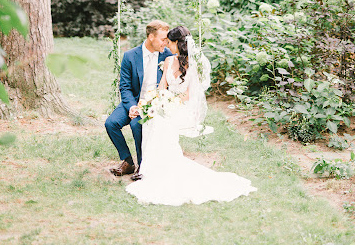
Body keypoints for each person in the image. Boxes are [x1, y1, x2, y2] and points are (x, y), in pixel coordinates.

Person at [126, 26, 257, 205]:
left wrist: (167, 103)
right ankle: (151, 167)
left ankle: (162, 167)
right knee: (153, 117)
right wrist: (156, 101)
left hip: (183, 107)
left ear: (177, 44)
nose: (168, 46)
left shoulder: (193, 64)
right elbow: (162, 87)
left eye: (170, 43)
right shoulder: (168, 61)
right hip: (167, 102)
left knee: (160, 121)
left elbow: (188, 95)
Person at [105, 20, 172, 178]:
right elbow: (125, 86)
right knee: (111, 123)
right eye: (163, 39)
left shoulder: (168, 55)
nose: (166, 42)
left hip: (154, 103)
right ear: (151, 37)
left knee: (137, 124)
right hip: (133, 100)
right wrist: (132, 107)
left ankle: (143, 165)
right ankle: (128, 162)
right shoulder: (130, 55)